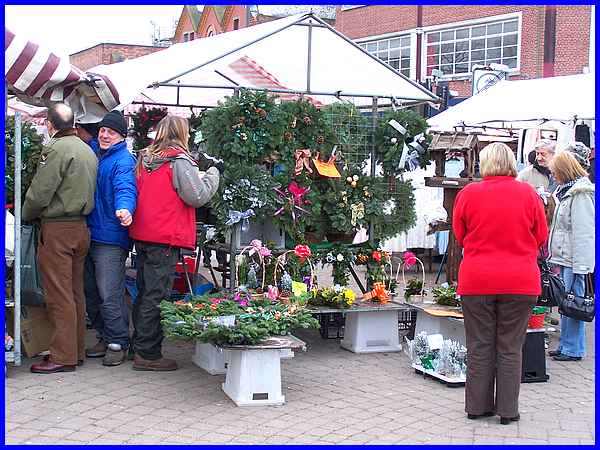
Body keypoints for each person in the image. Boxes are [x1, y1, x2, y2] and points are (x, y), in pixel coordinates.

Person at [453, 142, 548, 425]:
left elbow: (460, 234)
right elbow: (541, 235)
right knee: (510, 347)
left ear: (485, 163)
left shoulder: (468, 193)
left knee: (480, 344)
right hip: (520, 280)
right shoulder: (528, 194)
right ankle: (508, 410)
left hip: (477, 278)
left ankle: (477, 407)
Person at [128, 115, 220, 371]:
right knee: (156, 296)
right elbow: (197, 196)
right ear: (183, 133)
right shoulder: (178, 160)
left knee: (145, 292)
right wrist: (213, 173)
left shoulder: (145, 158)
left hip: (143, 232)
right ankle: (147, 354)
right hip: (165, 236)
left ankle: (138, 346)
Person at [23, 103, 98, 374]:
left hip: (58, 228)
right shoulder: (86, 149)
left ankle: (63, 355)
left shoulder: (56, 149)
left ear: (49, 124)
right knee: (75, 292)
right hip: (81, 227)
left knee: (58, 294)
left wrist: (25, 213)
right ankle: (74, 351)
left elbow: (41, 192)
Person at [84, 110, 137, 366]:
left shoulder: (123, 161)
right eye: (103, 130)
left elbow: (126, 187)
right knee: (91, 291)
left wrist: (125, 209)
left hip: (111, 237)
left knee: (109, 292)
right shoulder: (95, 152)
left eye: (111, 132)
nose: (105, 134)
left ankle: (118, 342)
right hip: (90, 232)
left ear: (121, 137)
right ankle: (104, 336)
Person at [547, 149, 595, 362]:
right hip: (565, 256)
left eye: (555, 171)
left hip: (574, 259)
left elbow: (584, 231)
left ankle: (573, 348)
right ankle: (568, 344)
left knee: (574, 303)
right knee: (567, 304)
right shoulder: (567, 191)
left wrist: (582, 266)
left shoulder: (580, 194)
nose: (553, 175)